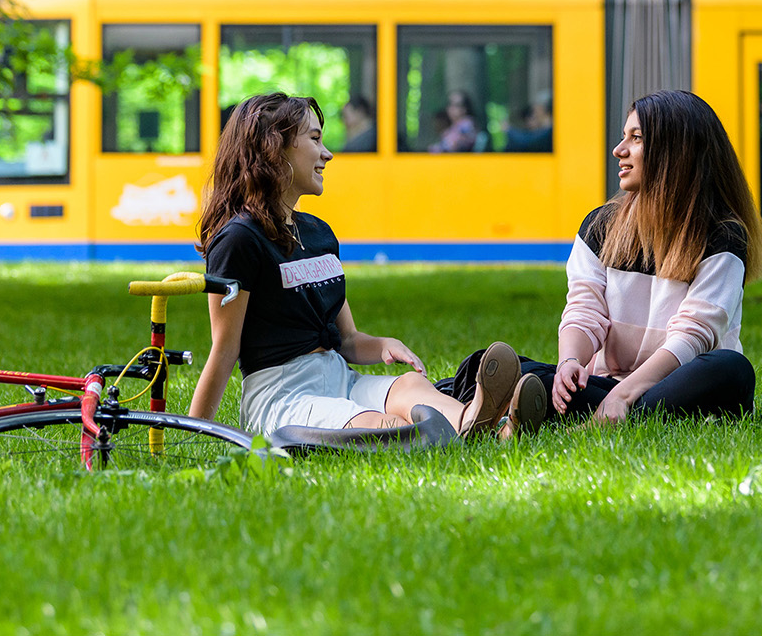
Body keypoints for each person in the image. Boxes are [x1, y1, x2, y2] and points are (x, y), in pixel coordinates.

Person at [188, 92, 520, 441]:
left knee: (410, 386)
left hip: (339, 378)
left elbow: (346, 339)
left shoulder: (319, 234)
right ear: (274, 148)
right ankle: (468, 432)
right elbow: (224, 350)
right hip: (282, 398)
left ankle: (474, 424)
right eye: (314, 139)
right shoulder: (238, 239)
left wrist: (381, 345)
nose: (327, 153)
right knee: (383, 425)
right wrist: (193, 432)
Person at [494, 90, 762, 433]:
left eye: (636, 138)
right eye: (624, 137)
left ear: (676, 151)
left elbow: (694, 335)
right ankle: (589, 410)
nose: (619, 150)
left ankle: (578, 412)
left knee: (731, 368)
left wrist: (624, 396)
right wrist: (569, 363)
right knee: (506, 368)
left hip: (680, 383)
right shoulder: (600, 225)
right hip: (608, 387)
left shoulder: (723, 236)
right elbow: (584, 310)